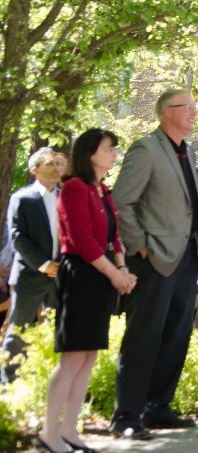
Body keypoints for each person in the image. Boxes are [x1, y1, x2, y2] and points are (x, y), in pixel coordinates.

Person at [110, 89, 198, 439]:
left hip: (186, 257)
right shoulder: (146, 149)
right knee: (143, 337)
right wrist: (143, 248)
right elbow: (121, 203)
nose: (195, 113)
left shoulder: (188, 150)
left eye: (195, 107)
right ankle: (126, 417)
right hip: (153, 259)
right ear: (168, 111)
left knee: (176, 334)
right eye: (189, 107)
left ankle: (157, 407)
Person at [40, 129, 137, 453]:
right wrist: (114, 274)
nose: (114, 154)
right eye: (109, 148)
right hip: (81, 275)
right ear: (91, 152)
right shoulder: (74, 188)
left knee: (88, 357)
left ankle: (69, 429)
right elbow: (82, 241)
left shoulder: (102, 190)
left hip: (101, 275)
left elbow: (115, 237)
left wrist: (122, 270)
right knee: (72, 358)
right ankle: (49, 432)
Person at [2, 147, 62, 383]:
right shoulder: (22, 198)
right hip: (30, 275)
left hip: (59, 275)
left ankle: (47, 380)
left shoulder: (65, 197)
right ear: (34, 169)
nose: (56, 168)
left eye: (58, 164)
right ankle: (8, 382)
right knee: (19, 329)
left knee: (56, 329)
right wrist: (44, 264)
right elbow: (17, 237)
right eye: (50, 164)